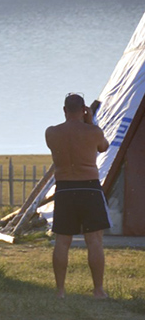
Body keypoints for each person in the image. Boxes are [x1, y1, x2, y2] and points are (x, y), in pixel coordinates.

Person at [46, 93, 110, 299]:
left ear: (64, 110)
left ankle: (60, 291)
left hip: (64, 188)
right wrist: (90, 122)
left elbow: (58, 147)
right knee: (94, 241)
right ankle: (98, 290)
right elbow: (104, 147)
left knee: (62, 241)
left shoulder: (52, 133)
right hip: (89, 188)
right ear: (84, 110)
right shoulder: (93, 131)